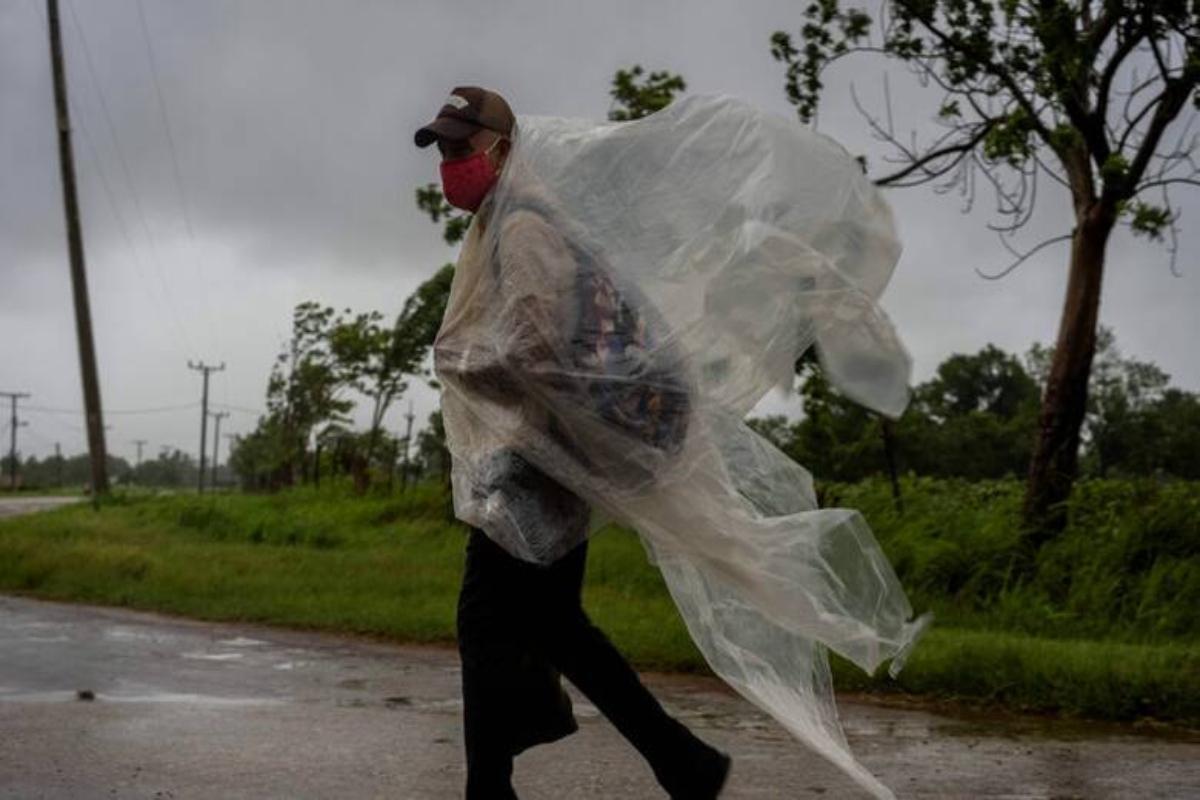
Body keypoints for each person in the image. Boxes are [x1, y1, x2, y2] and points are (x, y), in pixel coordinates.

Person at [415, 87, 732, 799]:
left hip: (543, 459)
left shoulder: (524, 227)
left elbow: (536, 354)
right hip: (554, 453)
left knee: (491, 620)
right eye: (441, 148)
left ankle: (496, 788)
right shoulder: (511, 220)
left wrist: (459, 361)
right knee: (552, 625)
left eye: (461, 146)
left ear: (501, 147)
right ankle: (681, 761)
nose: (449, 161)